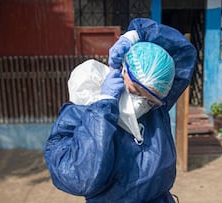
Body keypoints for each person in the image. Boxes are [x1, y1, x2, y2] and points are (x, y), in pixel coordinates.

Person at [44, 18, 197, 203]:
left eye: (150, 99)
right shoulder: (82, 113)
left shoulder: (155, 108)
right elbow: (79, 178)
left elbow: (184, 52)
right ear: (122, 71)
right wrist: (103, 108)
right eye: (134, 91)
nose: (141, 103)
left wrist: (137, 35)